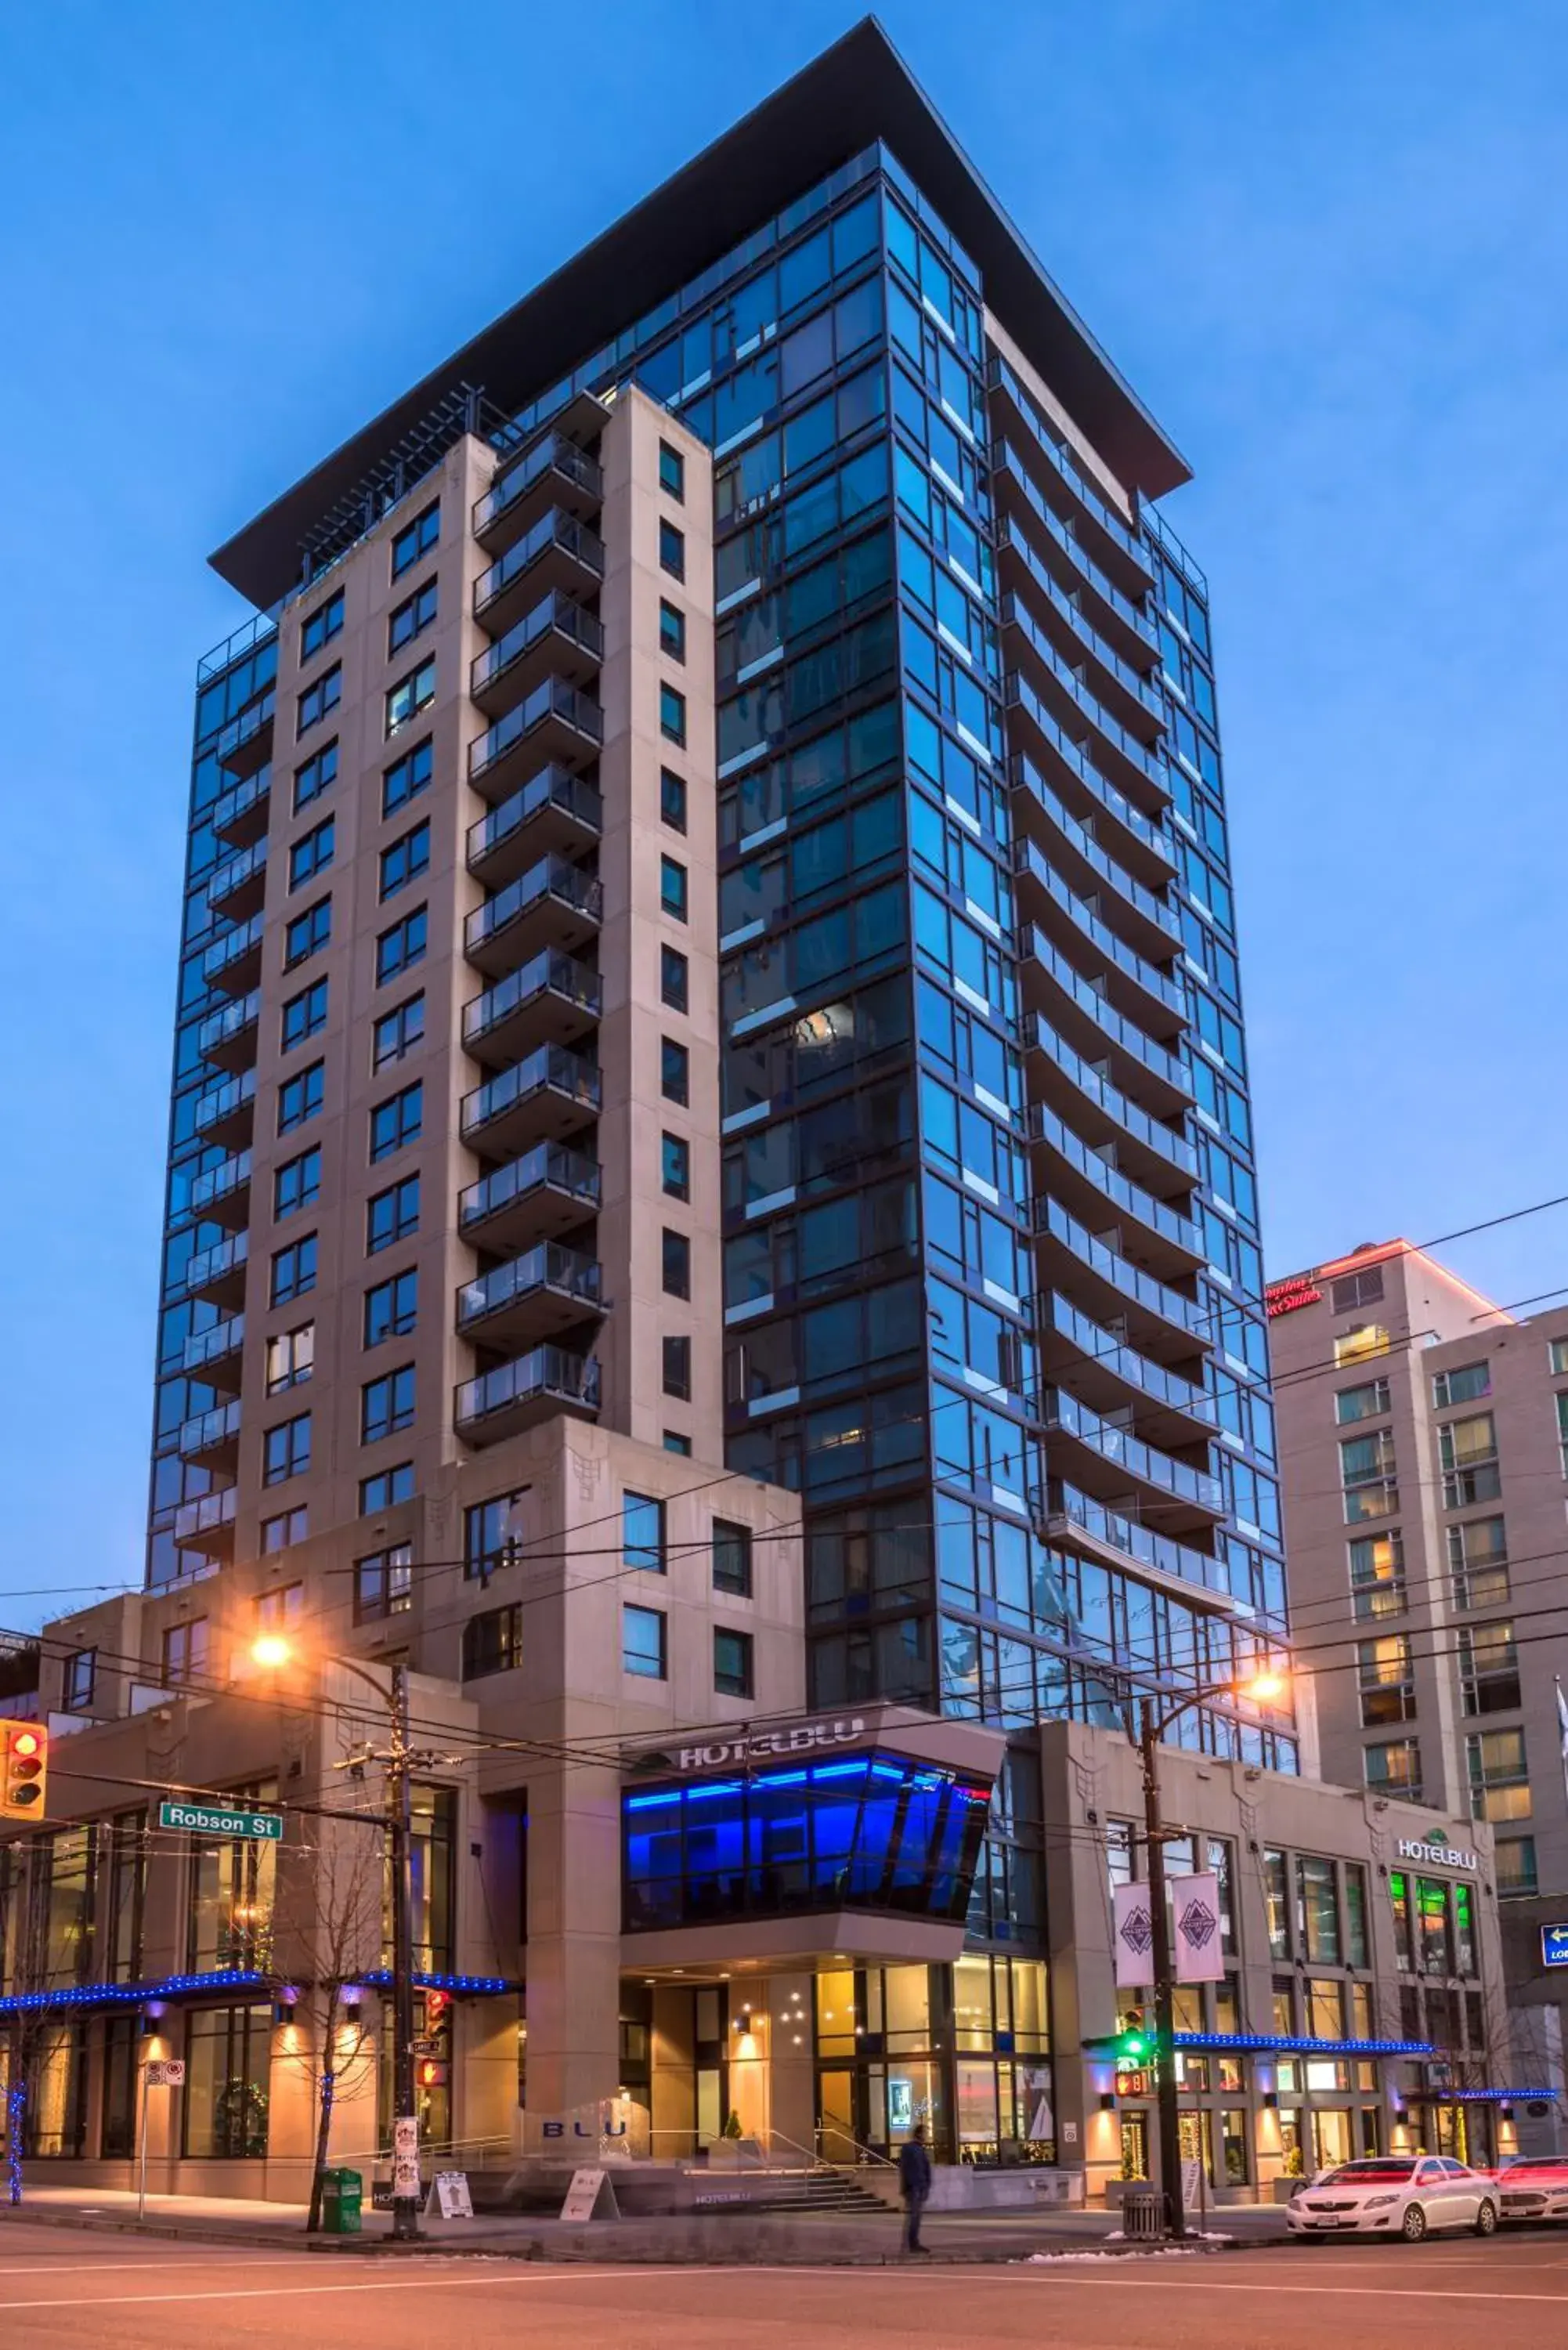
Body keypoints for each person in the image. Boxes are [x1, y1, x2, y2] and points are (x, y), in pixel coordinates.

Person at [898, 2122, 933, 2254]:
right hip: (914, 2188)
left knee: (915, 2217)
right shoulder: (910, 2149)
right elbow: (906, 2170)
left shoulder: (920, 2149)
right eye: (925, 2133)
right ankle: (911, 2244)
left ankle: (911, 2243)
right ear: (919, 2134)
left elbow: (925, 2169)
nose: (927, 2135)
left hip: (920, 2187)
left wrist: (927, 2185)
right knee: (914, 2217)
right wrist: (908, 2188)